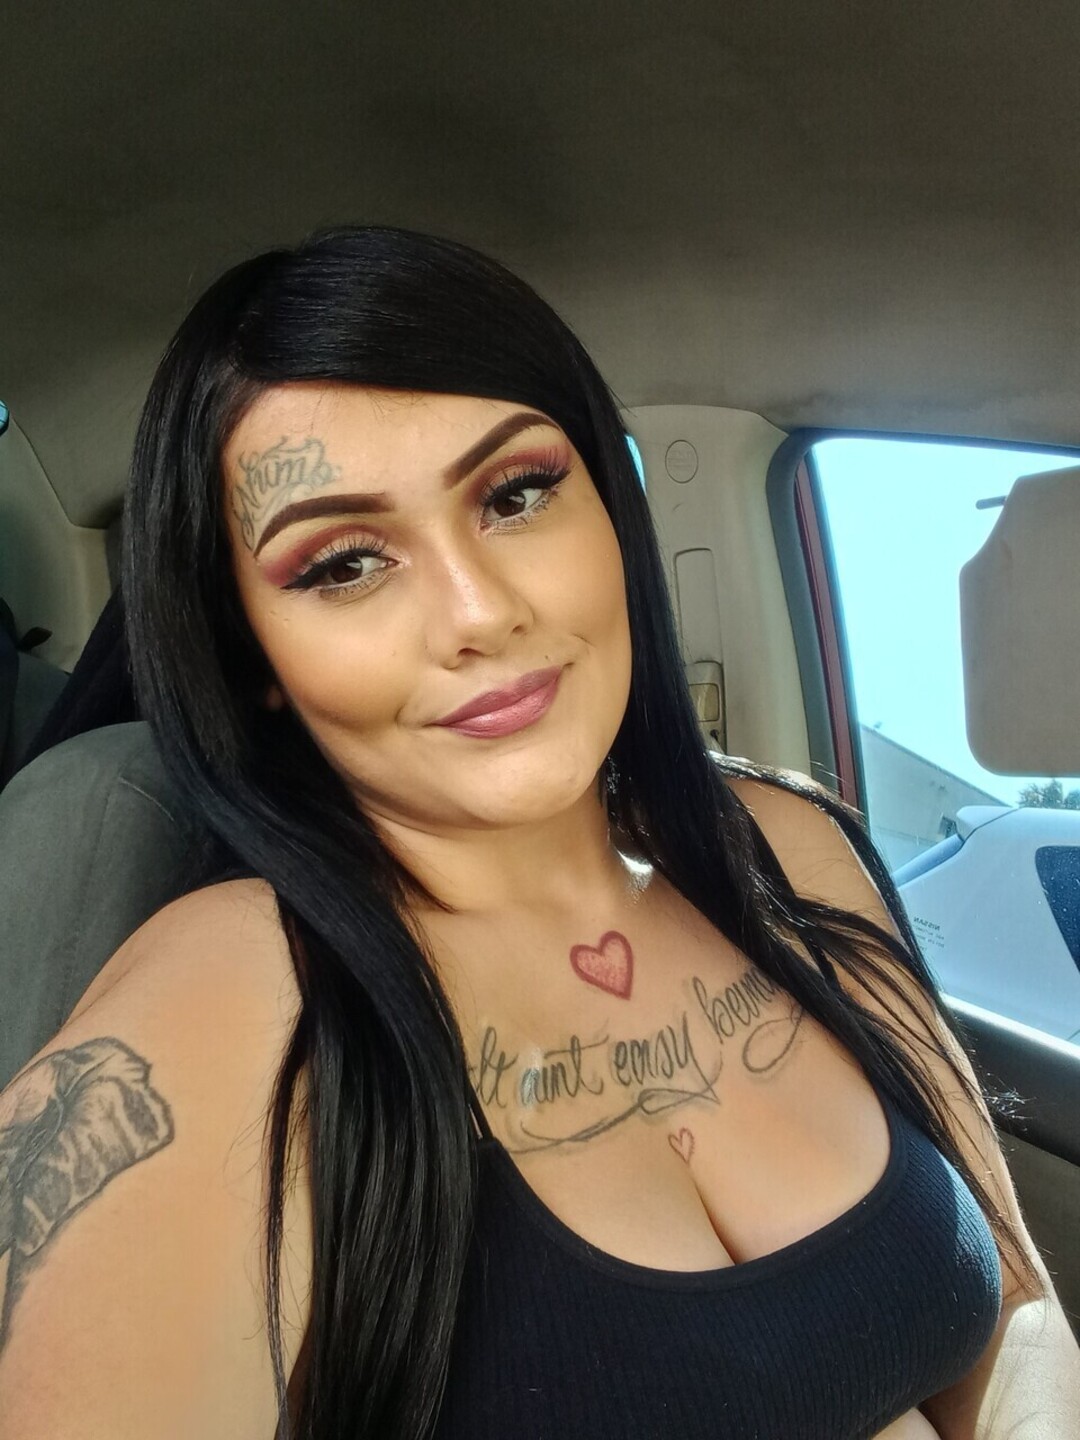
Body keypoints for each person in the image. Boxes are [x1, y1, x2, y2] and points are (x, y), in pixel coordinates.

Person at [0, 226, 1076, 1440]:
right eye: (343, 564)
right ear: (252, 655)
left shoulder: (789, 842)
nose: (479, 610)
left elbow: (1019, 1303)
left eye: (516, 495)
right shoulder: (220, 1006)